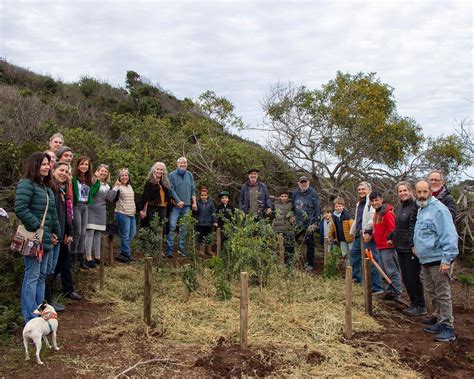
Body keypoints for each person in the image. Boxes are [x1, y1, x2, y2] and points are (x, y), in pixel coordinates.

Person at [14, 152, 60, 323]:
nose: (47, 167)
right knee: (32, 276)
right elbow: (20, 208)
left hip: (46, 239)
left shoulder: (47, 186)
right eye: (43, 164)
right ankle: (30, 317)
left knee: (41, 276)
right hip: (34, 239)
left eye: (48, 164)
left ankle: (40, 312)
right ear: (35, 165)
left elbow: (53, 213)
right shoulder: (27, 184)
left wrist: (56, 232)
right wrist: (37, 227)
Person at [414, 179, 458, 342]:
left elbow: (449, 234)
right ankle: (440, 321)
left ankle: (448, 327)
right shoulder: (421, 209)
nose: (422, 195)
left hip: (438, 259)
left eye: (425, 191)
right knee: (432, 293)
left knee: (442, 294)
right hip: (425, 260)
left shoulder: (439, 209)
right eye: (419, 192)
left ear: (431, 191)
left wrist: (447, 259)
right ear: (415, 193)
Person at [388, 181, 426, 316]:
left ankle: (420, 305)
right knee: (405, 277)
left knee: (413, 277)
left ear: (411, 192)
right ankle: (413, 303)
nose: (403, 193)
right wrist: (391, 236)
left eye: (405, 190)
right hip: (400, 247)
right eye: (400, 191)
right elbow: (398, 226)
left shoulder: (415, 206)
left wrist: (412, 245)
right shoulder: (399, 207)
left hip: (411, 248)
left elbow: (413, 228)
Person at [50, 161, 80, 305]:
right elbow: (52, 214)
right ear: (53, 170)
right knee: (51, 267)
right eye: (61, 170)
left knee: (65, 262)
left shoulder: (62, 189)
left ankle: (68, 290)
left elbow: (67, 214)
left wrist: (69, 232)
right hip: (53, 235)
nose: (64, 174)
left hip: (62, 232)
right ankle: (48, 298)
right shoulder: (50, 188)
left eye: (67, 172)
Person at [367, 191, 403, 301]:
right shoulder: (377, 213)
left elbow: (393, 229)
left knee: (392, 270)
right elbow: (376, 229)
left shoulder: (388, 213)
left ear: (381, 199)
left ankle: (397, 292)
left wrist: (391, 240)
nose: (374, 203)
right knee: (384, 271)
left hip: (388, 247)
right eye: (372, 201)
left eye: (376, 200)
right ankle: (389, 292)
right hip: (380, 246)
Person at [349, 182, 383, 294]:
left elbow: (373, 217)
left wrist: (367, 231)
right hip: (359, 235)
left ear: (369, 189)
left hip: (369, 235)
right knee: (354, 255)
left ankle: (376, 287)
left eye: (363, 189)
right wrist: (352, 231)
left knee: (372, 260)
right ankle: (357, 279)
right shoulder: (360, 203)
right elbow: (357, 218)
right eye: (359, 189)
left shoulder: (371, 201)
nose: (361, 191)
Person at [166, 157, 197, 257]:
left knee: (184, 227)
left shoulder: (190, 175)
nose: (183, 164)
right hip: (176, 205)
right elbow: (171, 190)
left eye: (185, 163)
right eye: (181, 163)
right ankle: (169, 249)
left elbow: (193, 189)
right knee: (172, 226)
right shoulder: (171, 175)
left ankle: (182, 248)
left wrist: (194, 203)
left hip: (187, 205)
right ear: (177, 164)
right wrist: (178, 201)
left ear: (187, 164)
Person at [292, 176, 321, 272]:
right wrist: (292, 216)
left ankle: (310, 263)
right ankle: (290, 260)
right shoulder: (295, 193)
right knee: (290, 240)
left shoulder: (313, 193)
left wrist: (316, 223)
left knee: (310, 244)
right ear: (298, 183)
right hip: (298, 223)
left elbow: (317, 209)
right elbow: (293, 207)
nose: (303, 184)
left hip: (310, 223)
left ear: (308, 182)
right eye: (301, 182)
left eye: (305, 182)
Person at [84, 164, 111, 268]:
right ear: (97, 171)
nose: (103, 173)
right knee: (90, 233)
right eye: (102, 171)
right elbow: (92, 193)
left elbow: (109, 198)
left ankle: (98, 257)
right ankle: (88, 257)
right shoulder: (93, 181)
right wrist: (96, 179)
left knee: (98, 234)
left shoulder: (107, 185)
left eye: (105, 171)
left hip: (101, 210)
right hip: (91, 208)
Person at [108, 168, 137, 263]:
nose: (124, 177)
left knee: (132, 233)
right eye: (122, 175)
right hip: (122, 214)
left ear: (128, 177)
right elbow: (110, 198)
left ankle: (121, 252)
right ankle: (126, 255)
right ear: (119, 177)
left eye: (126, 175)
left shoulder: (129, 186)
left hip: (131, 214)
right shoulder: (118, 187)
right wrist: (115, 186)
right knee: (125, 236)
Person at [70, 156, 93, 269]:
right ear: (78, 166)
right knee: (77, 232)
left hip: (85, 206)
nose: (84, 166)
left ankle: (80, 259)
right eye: (82, 164)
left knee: (84, 233)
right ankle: (72, 257)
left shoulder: (88, 179)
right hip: (76, 206)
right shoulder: (74, 178)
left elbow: (92, 193)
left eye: (86, 164)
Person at [139, 162, 172, 233]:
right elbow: (145, 197)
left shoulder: (164, 182)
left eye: (161, 170)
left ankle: (159, 243)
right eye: (158, 169)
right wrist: (143, 210)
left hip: (163, 208)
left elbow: (168, 196)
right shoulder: (149, 182)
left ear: (163, 171)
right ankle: (151, 244)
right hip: (152, 208)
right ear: (154, 170)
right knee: (152, 227)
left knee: (162, 227)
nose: (159, 171)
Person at [328, 197, 353, 265]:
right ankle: (348, 269)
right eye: (336, 206)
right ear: (334, 207)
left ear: (343, 206)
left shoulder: (347, 215)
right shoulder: (334, 216)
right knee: (345, 254)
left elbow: (352, 225)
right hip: (341, 238)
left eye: (340, 206)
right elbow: (332, 227)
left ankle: (353, 269)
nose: (338, 208)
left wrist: (354, 234)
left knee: (351, 252)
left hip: (349, 238)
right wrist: (330, 235)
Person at [272, 189, 295, 265]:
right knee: (278, 245)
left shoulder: (291, 204)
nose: (284, 198)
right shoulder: (275, 204)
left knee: (289, 245)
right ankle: (278, 261)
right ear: (279, 197)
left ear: (288, 197)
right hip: (277, 228)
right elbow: (271, 214)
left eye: (285, 196)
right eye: (282, 196)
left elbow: (295, 213)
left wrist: (293, 217)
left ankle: (289, 262)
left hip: (288, 228)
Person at [195, 187, 218, 257]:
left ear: (207, 195)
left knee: (209, 237)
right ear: (200, 196)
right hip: (200, 224)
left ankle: (209, 250)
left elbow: (213, 213)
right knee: (201, 237)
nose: (203, 197)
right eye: (202, 195)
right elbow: (195, 212)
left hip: (209, 223)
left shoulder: (211, 203)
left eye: (205, 195)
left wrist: (215, 221)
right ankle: (201, 251)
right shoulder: (198, 203)